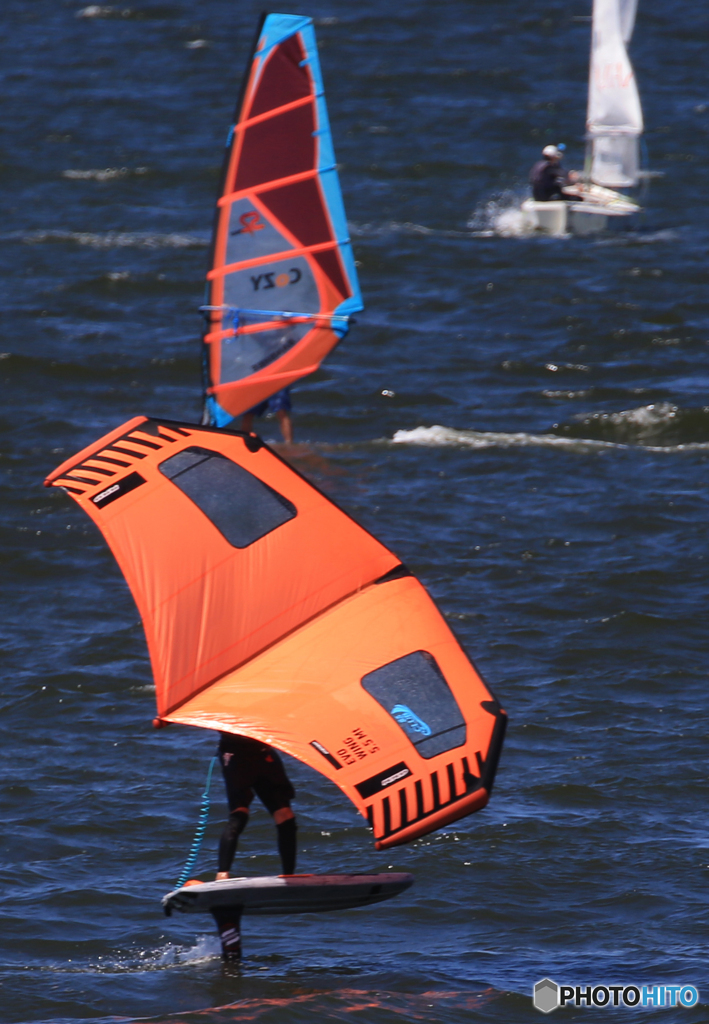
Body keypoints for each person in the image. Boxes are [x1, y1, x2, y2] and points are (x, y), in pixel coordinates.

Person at [215, 731, 297, 880]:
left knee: (285, 815)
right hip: (235, 755)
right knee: (239, 813)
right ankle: (222, 874)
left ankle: (289, 876)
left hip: (263, 753)